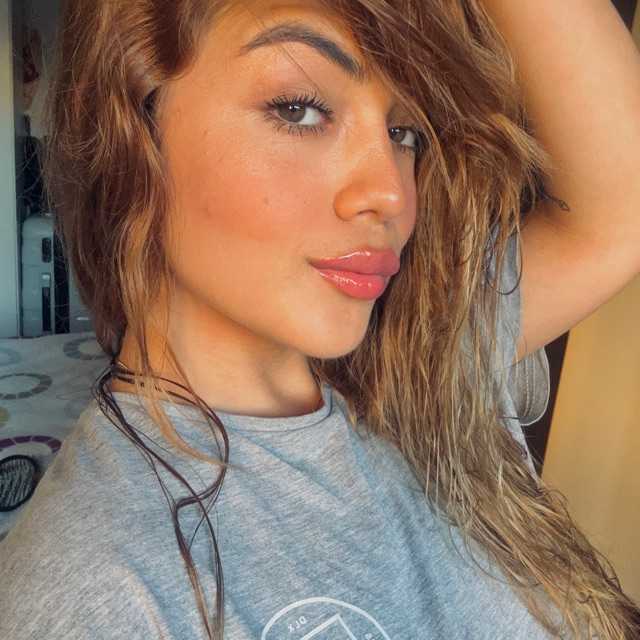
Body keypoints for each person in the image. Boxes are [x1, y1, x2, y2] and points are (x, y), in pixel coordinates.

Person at [2, 0, 640, 638]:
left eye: (404, 133)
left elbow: (620, 212)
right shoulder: (93, 595)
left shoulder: (421, 359)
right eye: (299, 109)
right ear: (133, 128)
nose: (391, 192)